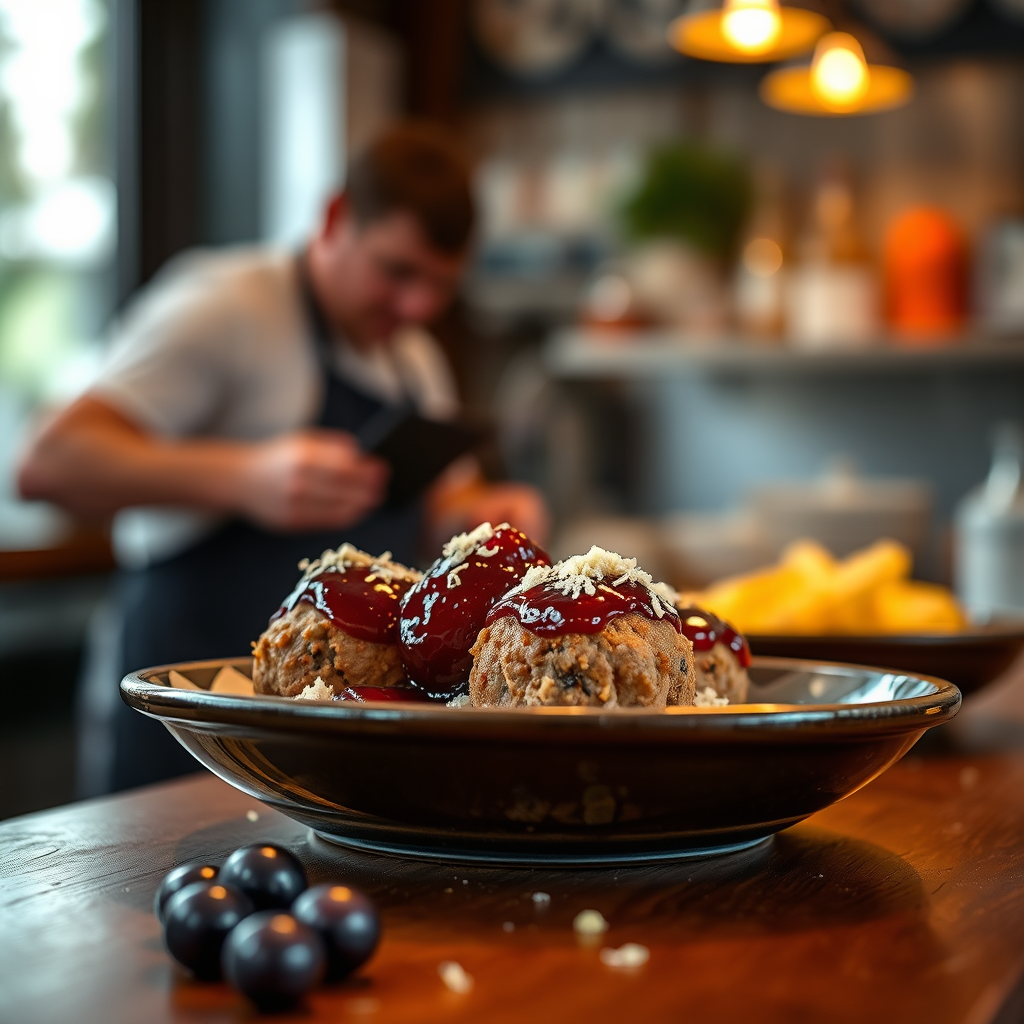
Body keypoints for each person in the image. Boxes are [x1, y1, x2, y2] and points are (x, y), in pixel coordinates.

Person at [18, 121, 547, 792]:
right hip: (195, 719)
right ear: (335, 217)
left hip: (331, 743)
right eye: (397, 271)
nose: (416, 305)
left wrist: (488, 521)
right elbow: (48, 462)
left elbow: (442, 514)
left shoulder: (413, 357)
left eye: (440, 285)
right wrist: (245, 479)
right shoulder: (227, 305)